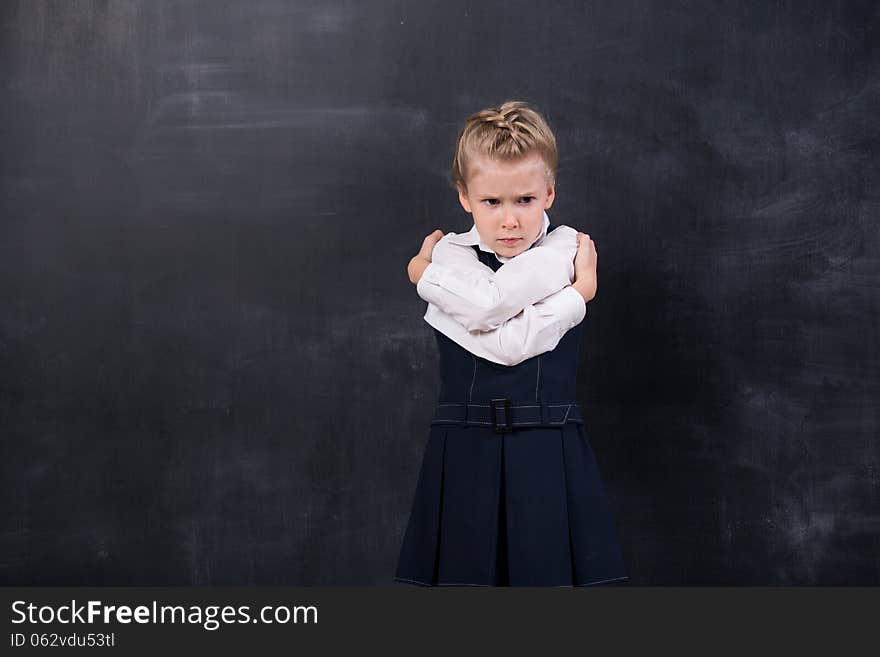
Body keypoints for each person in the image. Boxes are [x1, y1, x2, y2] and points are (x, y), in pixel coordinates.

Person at [394, 100, 628, 586]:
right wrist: (578, 295)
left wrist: (424, 277)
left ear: (549, 192)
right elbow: (491, 313)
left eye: (525, 200)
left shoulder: (565, 247)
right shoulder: (451, 254)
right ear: (464, 196)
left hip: (548, 450)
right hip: (463, 452)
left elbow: (496, 324)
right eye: (491, 202)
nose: (509, 222)